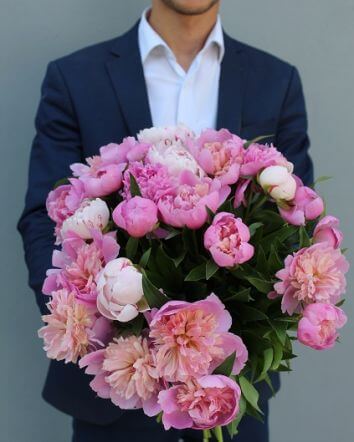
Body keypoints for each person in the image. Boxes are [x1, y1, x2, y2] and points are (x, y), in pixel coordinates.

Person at [18, 0, 313, 441]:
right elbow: (45, 219)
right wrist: (95, 329)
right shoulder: (75, 78)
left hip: (229, 396)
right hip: (113, 390)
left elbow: (296, 227)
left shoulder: (275, 81)